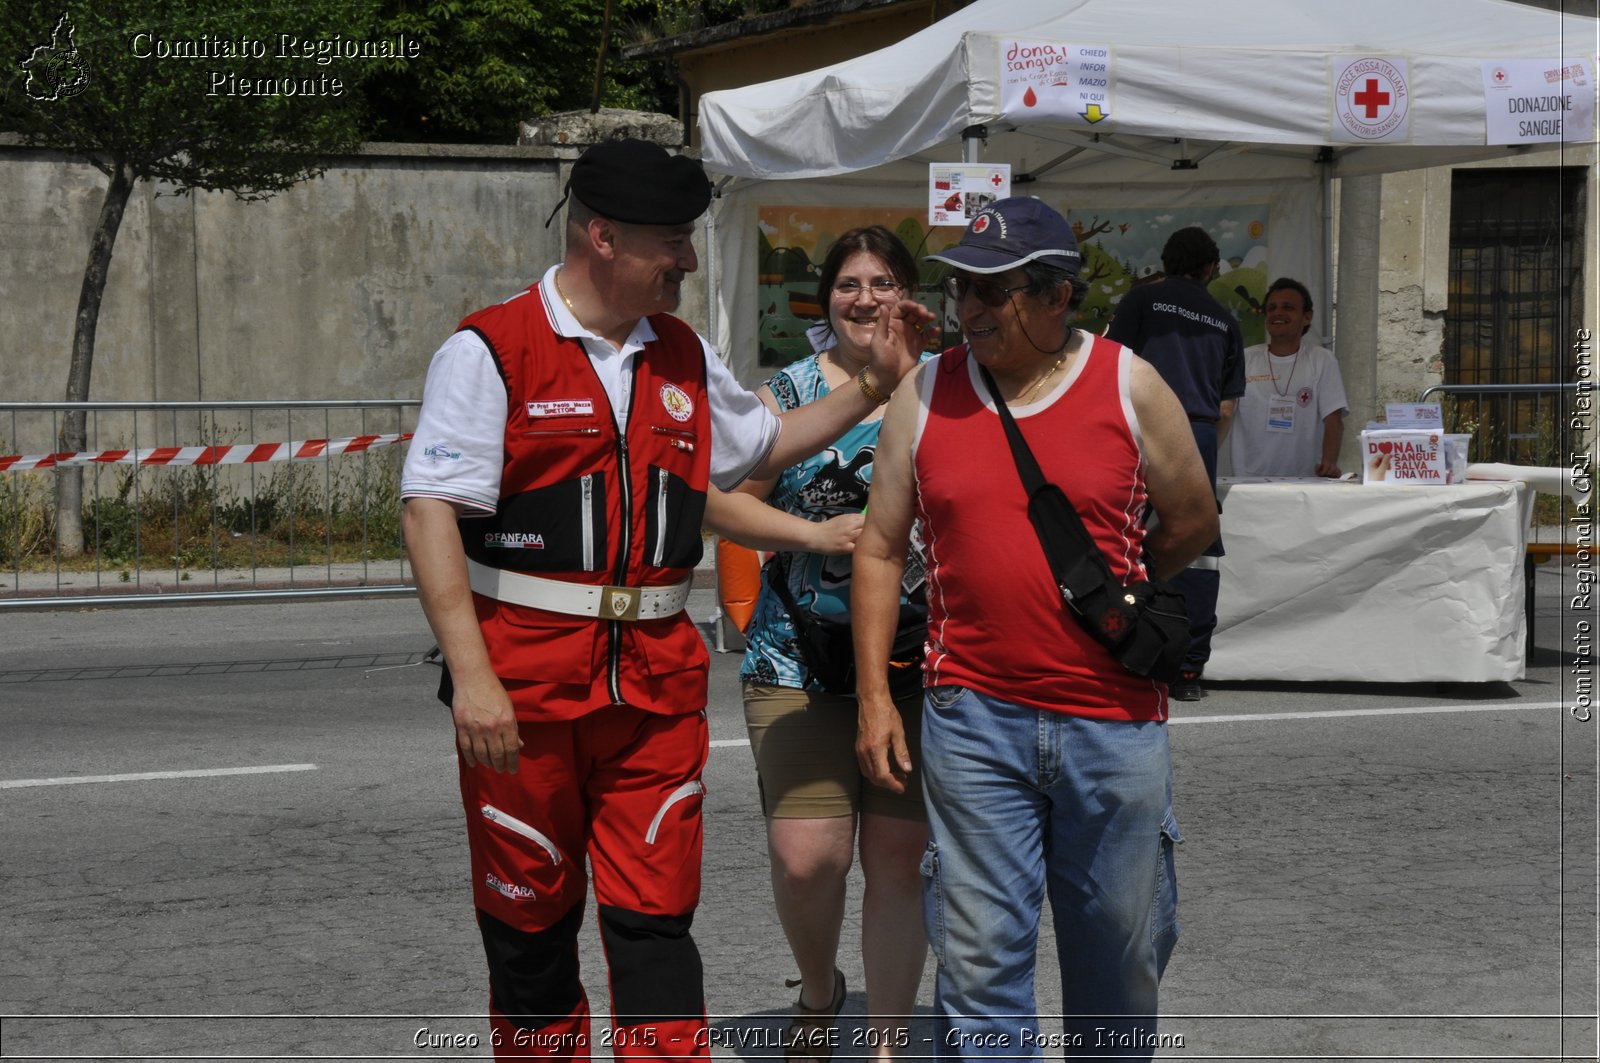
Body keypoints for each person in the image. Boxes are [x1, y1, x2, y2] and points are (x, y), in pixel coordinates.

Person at [399, 138, 931, 1060]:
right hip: (523, 693)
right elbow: (430, 513)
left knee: (656, 923)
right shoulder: (490, 349)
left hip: (653, 689)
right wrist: (473, 676)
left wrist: (877, 384)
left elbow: (762, 445)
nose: (686, 259)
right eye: (670, 241)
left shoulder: (679, 350)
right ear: (602, 237)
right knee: (530, 923)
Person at [851, 196, 1217, 1060]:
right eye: (961, 291)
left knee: (1122, 962)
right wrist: (875, 696)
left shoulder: (1130, 384)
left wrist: (1115, 595)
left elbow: (1194, 519)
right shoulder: (926, 392)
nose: (970, 309)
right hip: (972, 721)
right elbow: (876, 549)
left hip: (1115, 724)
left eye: (995, 290)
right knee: (979, 969)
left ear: (1059, 297)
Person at [704, 226, 930, 1062]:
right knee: (809, 860)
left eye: (880, 282)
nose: (863, 298)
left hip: (918, 659)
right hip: (794, 656)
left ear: (907, 295)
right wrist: (809, 533)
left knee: (900, 857)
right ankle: (820, 990)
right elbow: (718, 502)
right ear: (825, 297)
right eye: (847, 284)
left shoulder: (947, 390)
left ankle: (887, 1045)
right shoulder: (788, 393)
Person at [1104, 226, 1245, 702]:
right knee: (1199, 545)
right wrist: (1196, 446)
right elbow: (1227, 407)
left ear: (1165, 262)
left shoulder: (1141, 301)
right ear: (1210, 267)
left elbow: (1111, 365)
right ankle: (1187, 669)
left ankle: (1117, 642)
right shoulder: (1226, 320)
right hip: (1198, 431)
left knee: (1117, 532)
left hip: (1137, 423)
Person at [1227, 277, 1349, 478]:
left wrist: (1329, 462)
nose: (1278, 313)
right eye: (1272, 308)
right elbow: (1224, 412)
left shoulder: (1322, 360)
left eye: (1288, 307)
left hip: (1304, 481)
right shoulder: (1245, 358)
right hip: (1247, 479)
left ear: (1307, 317)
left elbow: (1334, 419)